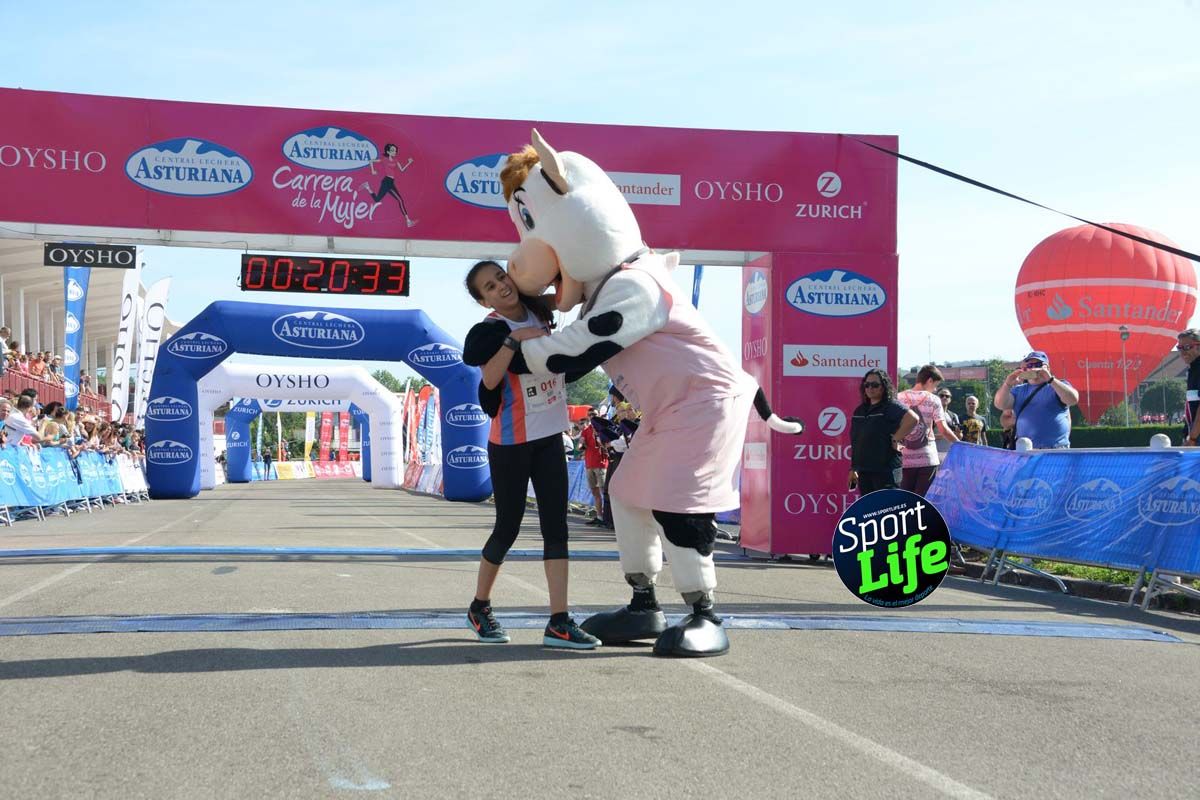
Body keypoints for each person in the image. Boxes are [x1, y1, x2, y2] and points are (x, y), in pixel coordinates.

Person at [461, 259, 600, 650]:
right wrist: (513, 340)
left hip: (550, 436)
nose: (501, 287)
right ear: (482, 299)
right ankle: (479, 606)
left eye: (501, 277)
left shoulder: (537, 308)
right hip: (510, 441)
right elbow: (488, 380)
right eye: (489, 287)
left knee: (556, 527)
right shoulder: (489, 329)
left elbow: (569, 294)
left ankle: (559, 621)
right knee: (508, 527)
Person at [849, 369, 919, 495]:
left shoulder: (891, 406)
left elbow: (913, 419)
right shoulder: (859, 410)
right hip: (864, 470)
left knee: (887, 510)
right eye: (867, 385)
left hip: (886, 470)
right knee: (869, 511)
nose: (870, 388)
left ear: (883, 387)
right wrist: (853, 468)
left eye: (875, 385)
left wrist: (896, 438)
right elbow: (856, 441)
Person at [993, 350, 1079, 449]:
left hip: (1055, 449)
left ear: (1048, 367)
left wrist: (1050, 379)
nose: (1034, 368)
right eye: (1029, 366)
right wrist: (1007, 384)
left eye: (1038, 364)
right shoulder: (1018, 390)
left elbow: (1073, 399)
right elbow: (1000, 404)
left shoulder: (1058, 385)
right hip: (1026, 450)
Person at [896, 365, 959, 496]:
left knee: (904, 502)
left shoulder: (899, 398)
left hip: (904, 458)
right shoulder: (934, 400)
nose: (935, 389)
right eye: (935, 385)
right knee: (922, 502)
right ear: (929, 380)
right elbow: (943, 429)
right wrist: (960, 444)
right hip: (927, 458)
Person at [360, 143, 418, 228]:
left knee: (377, 199)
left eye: (395, 150)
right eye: (392, 150)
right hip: (387, 182)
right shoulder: (384, 159)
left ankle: (367, 187)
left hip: (390, 182)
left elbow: (402, 170)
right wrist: (373, 170)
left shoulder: (396, 160)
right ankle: (408, 221)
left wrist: (409, 163)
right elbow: (371, 161)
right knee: (400, 200)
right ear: (388, 151)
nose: (394, 152)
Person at [580, 407, 609, 524]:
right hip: (589, 464)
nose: (592, 417)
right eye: (590, 415)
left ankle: (608, 518)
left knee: (604, 491)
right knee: (595, 492)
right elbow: (581, 442)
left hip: (601, 464)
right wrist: (581, 445)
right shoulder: (586, 430)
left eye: (594, 414)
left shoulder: (604, 428)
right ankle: (600, 516)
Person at [1177, 329, 1200, 446]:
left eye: (1186, 347)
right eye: (1179, 348)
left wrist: (1192, 438)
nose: (1182, 352)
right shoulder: (1193, 370)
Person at [935, 387, 962, 458]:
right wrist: (945, 434)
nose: (944, 397)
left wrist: (958, 433)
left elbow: (960, 437)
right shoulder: (931, 414)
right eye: (941, 396)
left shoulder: (954, 415)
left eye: (947, 396)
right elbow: (926, 436)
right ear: (936, 398)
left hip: (951, 453)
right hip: (935, 453)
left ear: (950, 399)